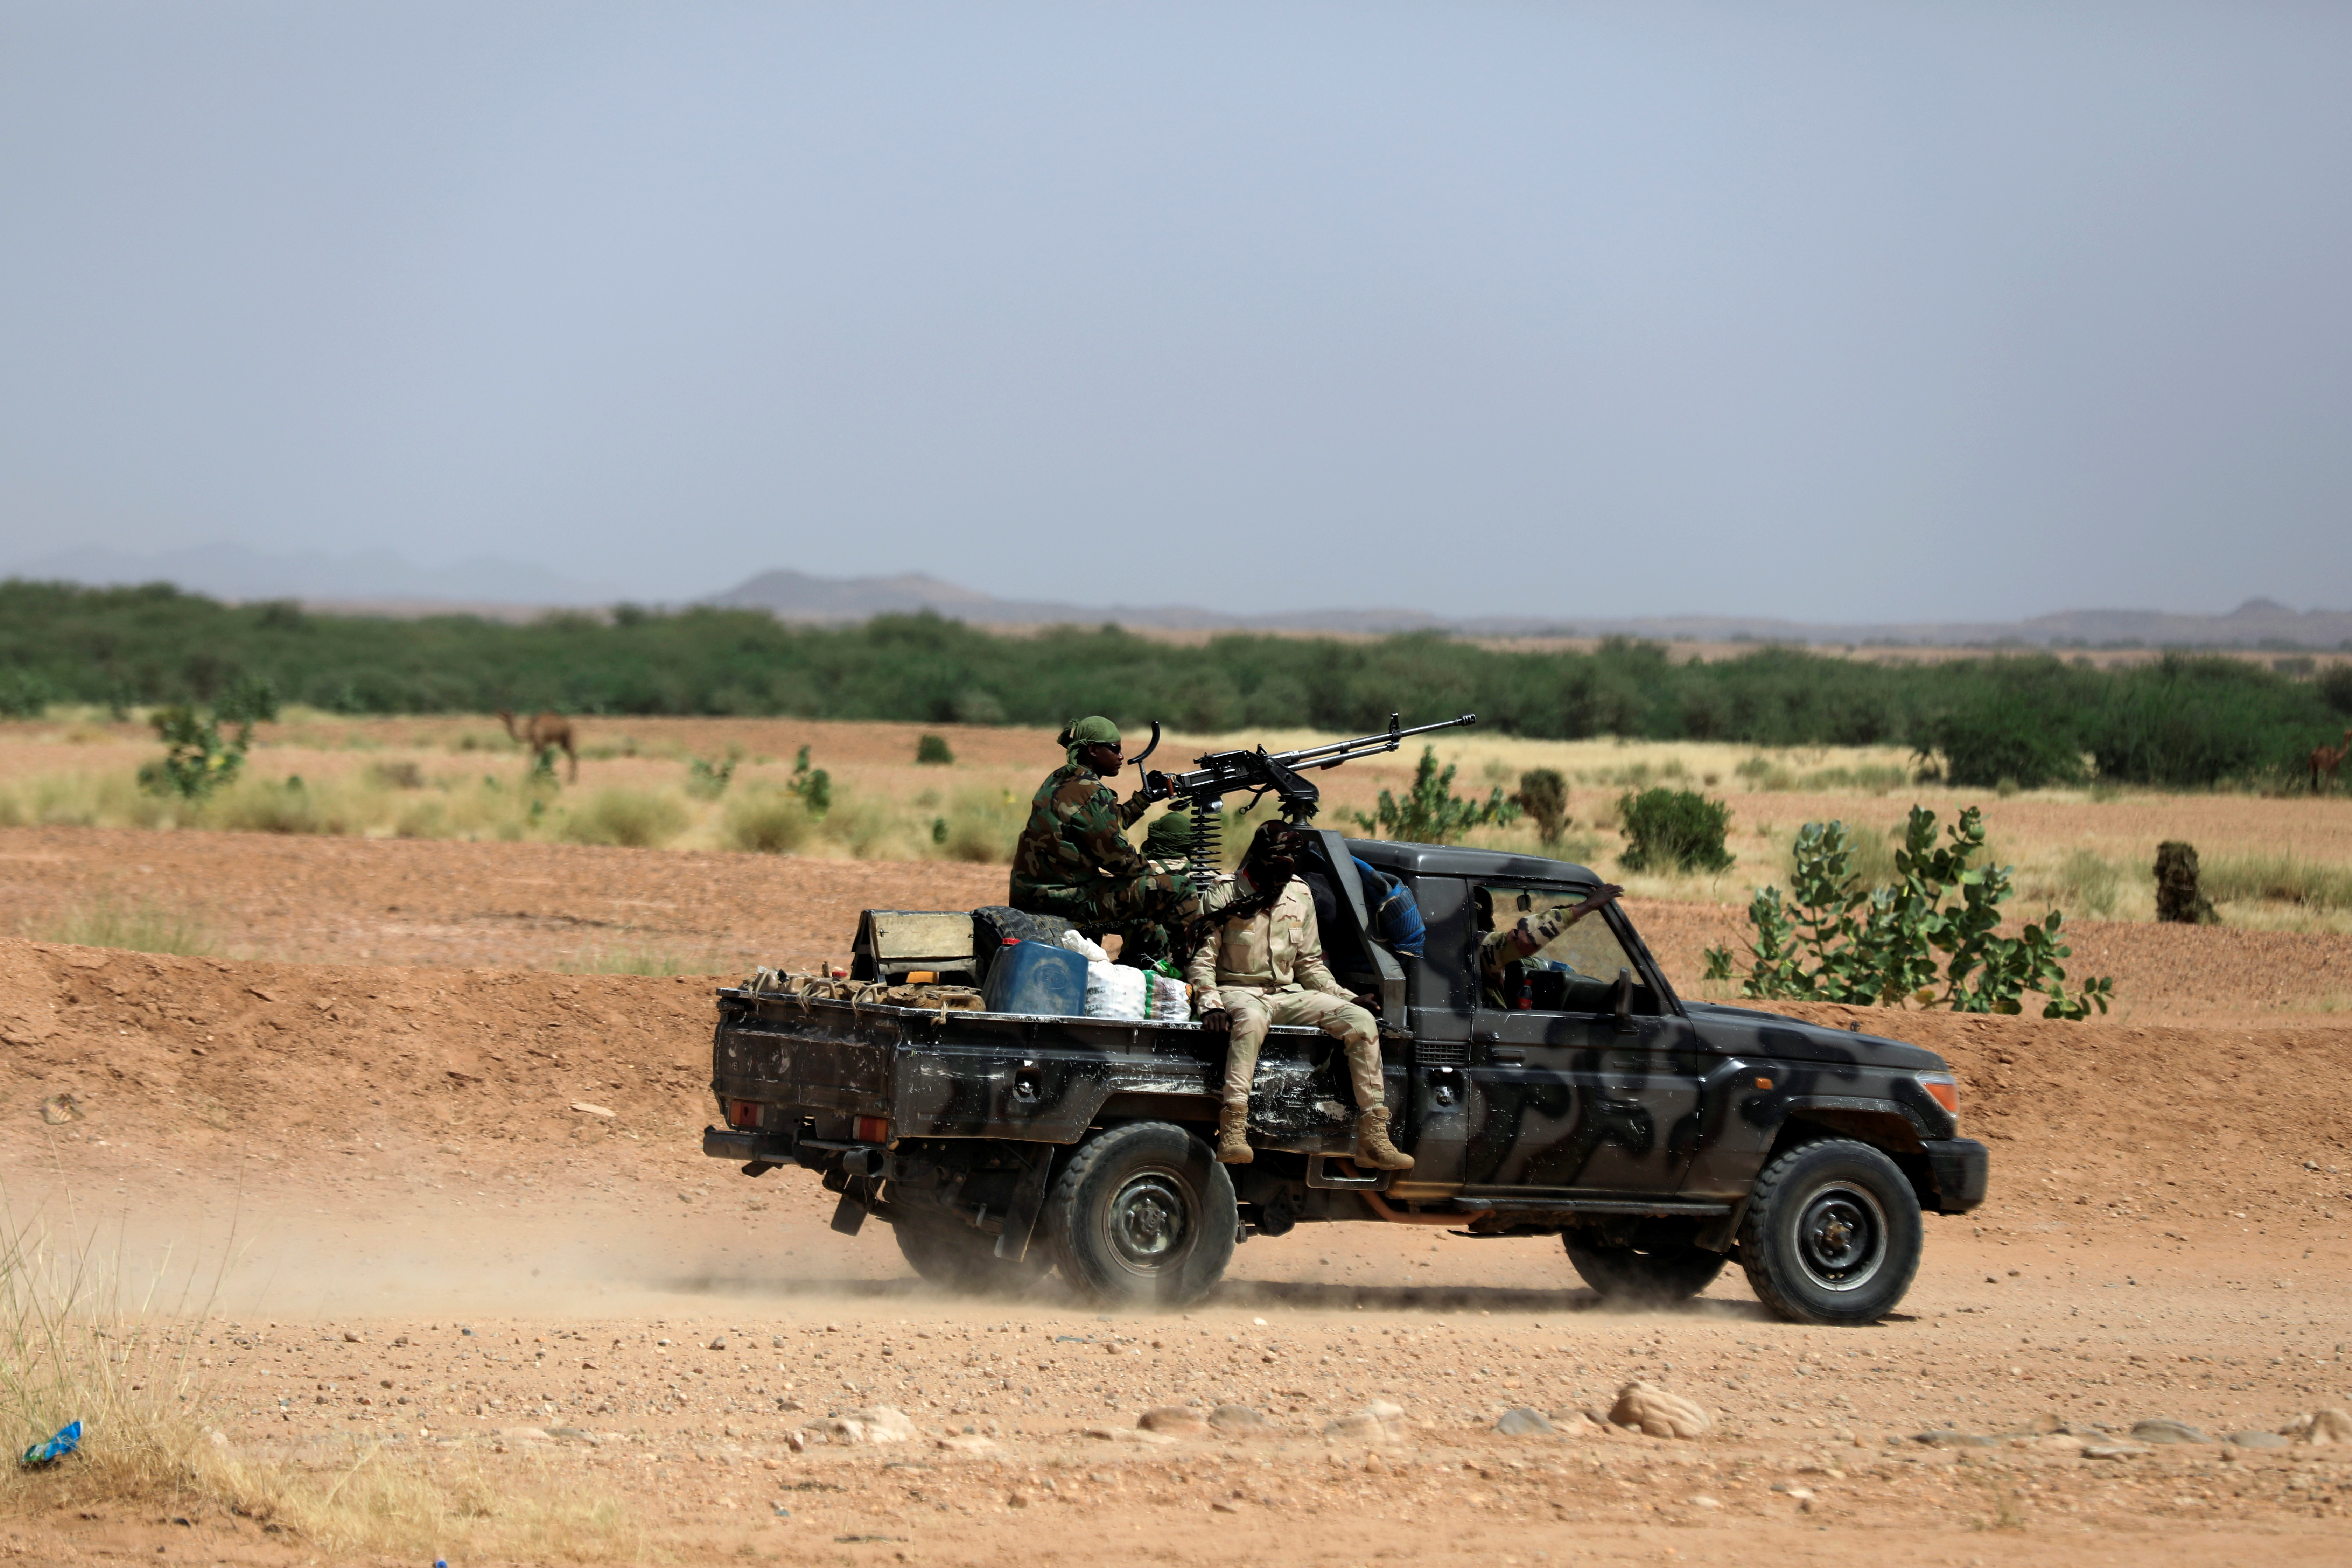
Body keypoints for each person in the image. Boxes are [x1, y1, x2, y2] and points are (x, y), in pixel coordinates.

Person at [1186, 869, 1413, 1172]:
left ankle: (1373, 1137)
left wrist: (1346, 998)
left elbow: (1309, 965)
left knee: (1360, 1021)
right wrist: (1210, 1005)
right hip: (1238, 990)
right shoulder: (1225, 891)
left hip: (1288, 993)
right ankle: (1233, 1129)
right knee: (1251, 1019)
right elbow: (1202, 957)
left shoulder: (1299, 893)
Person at [1009, 719, 1264, 948]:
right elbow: (1120, 861)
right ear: (1094, 750)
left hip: (1035, 893)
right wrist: (1160, 872)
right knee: (1179, 888)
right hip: (1067, 899)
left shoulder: (1061, 781)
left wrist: (1144, 799)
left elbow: (1106, 824)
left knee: (1148, 888)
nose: (1122, 756)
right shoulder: (1092, 792)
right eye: (1115, 748)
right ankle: (1191, 966)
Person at [1475, 883, 1625, 1007]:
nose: (1492, 924)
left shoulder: (1457, 946)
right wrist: (1587, 906)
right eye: (1484, 919)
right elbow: (1524, 940)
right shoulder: (1476, 947)